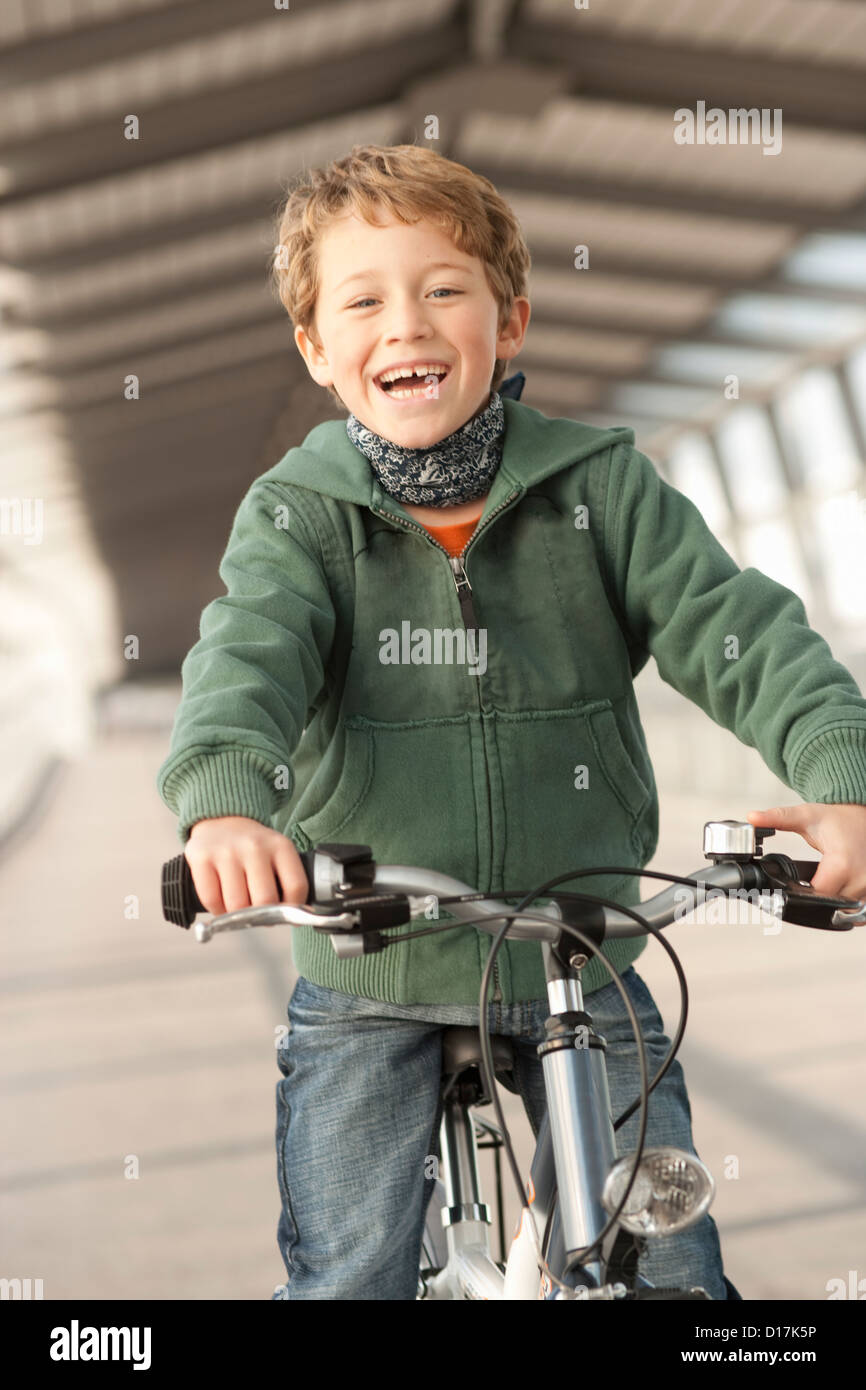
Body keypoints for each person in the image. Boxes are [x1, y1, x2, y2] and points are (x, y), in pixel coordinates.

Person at [156, 144, 866, 1300]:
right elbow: (247, 663)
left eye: (444, 289)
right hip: (365, 958)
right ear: (317, 350)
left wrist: (843, 773)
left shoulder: (603, 488)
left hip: (579, 946)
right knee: (349, 1274)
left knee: (675, 1277)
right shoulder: (296, 517)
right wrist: (227, 808)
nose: (409, 324)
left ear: (510, 319)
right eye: (364, 299)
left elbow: (738, 633)